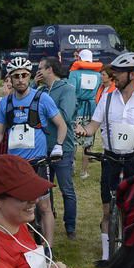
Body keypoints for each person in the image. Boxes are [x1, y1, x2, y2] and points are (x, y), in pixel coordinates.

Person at [76, 51, 134, 267]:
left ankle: (132, 253)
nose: (113, 76)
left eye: (118, 73)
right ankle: (107, 255)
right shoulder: (107, 98)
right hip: (111, 158)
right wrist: (83, 130)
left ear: (133, 75)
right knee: (107, 208)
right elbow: (93, 127)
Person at [0, 56, 69, 247]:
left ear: (29, 75)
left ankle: (48, 248)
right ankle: (23, 244)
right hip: (16, 166)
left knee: (44, 206)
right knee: (17, 206)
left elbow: (61, 125)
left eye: (24, 75)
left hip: (37, 162)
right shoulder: (5, 103)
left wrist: (58, 145)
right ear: (11, 78)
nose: (21, 79)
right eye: (16, 76)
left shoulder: (42, 98)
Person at [36, 56, 80, 237]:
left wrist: (45, 109)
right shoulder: (39, 89)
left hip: (63, 146)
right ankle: (47, 219)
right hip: (42, 147)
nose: (37, 71)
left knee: (66, 188)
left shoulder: (67, 89)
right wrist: (32, 85)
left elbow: (66, 116)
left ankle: (70, 226)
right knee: (44, 189)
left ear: (50, 69)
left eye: (40, 68)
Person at [68, 49, 104, 125]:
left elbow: (70, 92)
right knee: (90, 134)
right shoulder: (98, 75)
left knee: (76, 133)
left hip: (77, 109)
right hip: (92, 109)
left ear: (79, 59)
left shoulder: (74, 74)